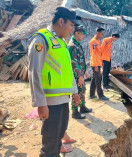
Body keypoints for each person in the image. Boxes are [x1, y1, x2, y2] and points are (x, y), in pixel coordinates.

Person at [28, 7, 80, 156]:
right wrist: (40, 103)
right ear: (61, 21)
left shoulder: (62, 42)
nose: (72, 30)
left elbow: (67, 70)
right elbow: (34, 73)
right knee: (50, 143)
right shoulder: (41, 39)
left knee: (59, 134)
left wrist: (75, 92)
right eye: (71, 25)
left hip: (63, 100)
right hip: (50, 103)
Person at [68, 25, 92, 119]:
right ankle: (75, 111)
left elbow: (80, 60)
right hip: (75, 75)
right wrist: (79, 76)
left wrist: (83, 72)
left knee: (82, 90)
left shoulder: (77, 44)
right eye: (82, 34)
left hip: (80, 73)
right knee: (76, 92)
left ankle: (82, 107)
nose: (83, 36)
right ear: (76, 33)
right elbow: (73, 62)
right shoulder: (72, 45)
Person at [89, 26, 109, 100]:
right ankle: (101, 95)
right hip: (95, 63)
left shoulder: (98, 41)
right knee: (98, 79)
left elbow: (98, 53)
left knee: (94, 79)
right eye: (101, 33)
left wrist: (100, 63)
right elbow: (93, 54)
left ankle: (91, 94)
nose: (102, 35)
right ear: (97, 33)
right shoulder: (93, 41)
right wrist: (96, 65)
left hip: (98, 62)